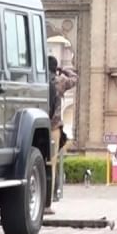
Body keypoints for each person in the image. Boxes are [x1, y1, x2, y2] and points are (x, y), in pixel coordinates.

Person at [45, 56, 78, 211]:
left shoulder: (38, 80)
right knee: (51, 165)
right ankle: (48, 204)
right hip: (53, 128)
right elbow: (75, 78)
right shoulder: (59, 81)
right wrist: (63, 70)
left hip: (35, 126)